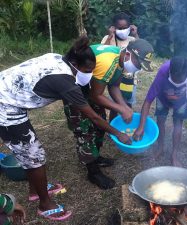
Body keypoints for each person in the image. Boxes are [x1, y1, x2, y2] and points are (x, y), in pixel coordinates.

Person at [0, 36, 131, 221]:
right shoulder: (66, 82)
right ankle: (45, 205)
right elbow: (92, 116)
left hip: (9, 95)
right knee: (35, 156)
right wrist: (118, 134)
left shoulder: (59, 58)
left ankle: (36, 190)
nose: (89, 74)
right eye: (87, 71)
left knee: (29, 154)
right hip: (4, 106)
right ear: (75, 65)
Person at [64, 38, 154, 189]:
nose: (137, 68)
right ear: (128, 55)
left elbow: (114, 86)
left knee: (100, 121)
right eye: (138, 64)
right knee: (84, 127)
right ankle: (92, 172)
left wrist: (124, 106)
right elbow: (95, 96)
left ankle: (96, 157)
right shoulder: (108, 62)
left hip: (89, 87)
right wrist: (120, 109)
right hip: (73, 86)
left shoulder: (119, 60)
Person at [133, 56, 187, 166]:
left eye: (180, 79)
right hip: (163, 97)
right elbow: (147, 101)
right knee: (160, 120)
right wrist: (141, 127)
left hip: (182, 98)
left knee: (178, 123)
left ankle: (174, 155)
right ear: (170, 72)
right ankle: (160, 147)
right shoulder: (163, 72)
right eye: (175, 79)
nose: (177, 81)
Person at [101, 12, 143, 120]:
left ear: (130, 27)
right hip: (114, 79)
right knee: (115, 105)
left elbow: (142, 52)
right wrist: (110, 36)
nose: (123, 30)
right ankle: (113, 127)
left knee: (128, 103)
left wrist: (135, 35)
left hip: (130, 78)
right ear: (114, 28)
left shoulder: (132, 40)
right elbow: (101, 52)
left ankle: (126, 125)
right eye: (120, 28)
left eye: (125, 27)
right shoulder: (108, 38)